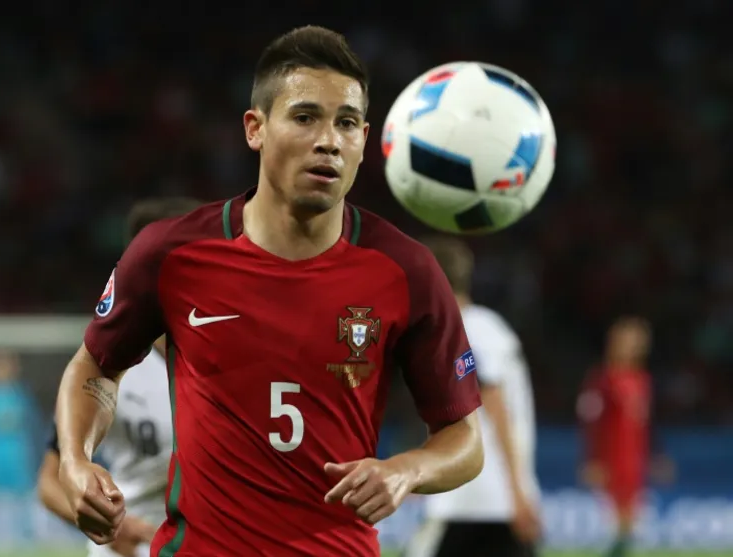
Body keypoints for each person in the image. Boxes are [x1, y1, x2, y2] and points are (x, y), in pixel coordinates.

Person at [54, 25, 485, 557]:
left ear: (364, 140)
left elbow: (464, 438)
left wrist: (406, 469)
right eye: (305, 117)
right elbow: (95, 366)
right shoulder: (172, 253)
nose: (329, 140)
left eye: (346, 123)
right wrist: (76, 459)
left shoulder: (406, 271)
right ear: (255, 128)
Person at [38, 196, 202, 557]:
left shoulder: (230, 357)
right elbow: (50, 482)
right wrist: (113, 528)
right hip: (132, 547)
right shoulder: (105, 367)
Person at [407, 236, 540, 557]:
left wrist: (517, 491)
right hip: (492, 501)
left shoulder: (464, 331)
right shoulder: (490, 326)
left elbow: (495, 409)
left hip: (470, 501)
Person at [577, 316, 673, 557]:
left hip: (634, 463)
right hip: (611, 461)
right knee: (614, 527)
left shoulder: (642, 381)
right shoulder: (602, 380)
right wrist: (592, 459)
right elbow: (592, 424)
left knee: (632, 529)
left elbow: (647, 425)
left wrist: (656, 455)